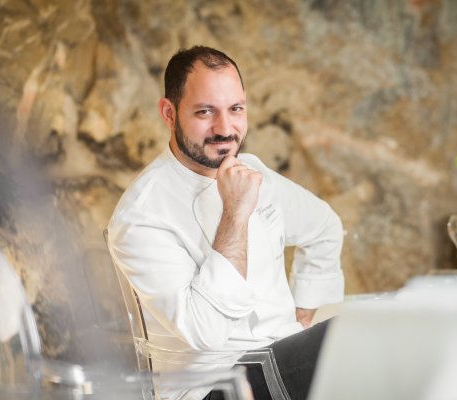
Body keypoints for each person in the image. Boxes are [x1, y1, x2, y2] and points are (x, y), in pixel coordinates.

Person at [107, 46, 344, 400]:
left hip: (279, 359)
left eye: (236, 109)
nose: (225, 128)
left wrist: (303, 314)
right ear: (169, 113)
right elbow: (207, 331)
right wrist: (235, 212)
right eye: (205, 112)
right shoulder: (141, 215)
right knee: (354, 339)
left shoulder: (253, 171)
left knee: (378, 329)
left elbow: (324, 226)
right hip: (212, 385)